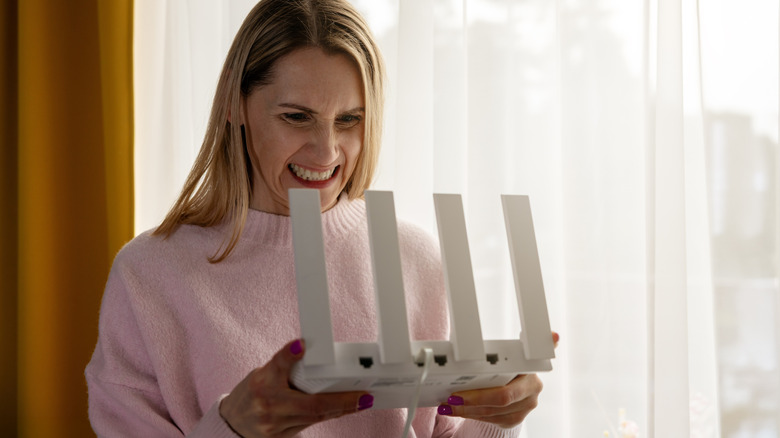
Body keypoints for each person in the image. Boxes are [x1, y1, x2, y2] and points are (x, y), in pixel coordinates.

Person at [85, 0, 553, 436]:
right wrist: (234, 426)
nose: (326, 152)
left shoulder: (412, 256)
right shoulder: (149, 274)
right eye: (296, 117)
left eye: (349, 120)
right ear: (233, 103)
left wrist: (496, 418)